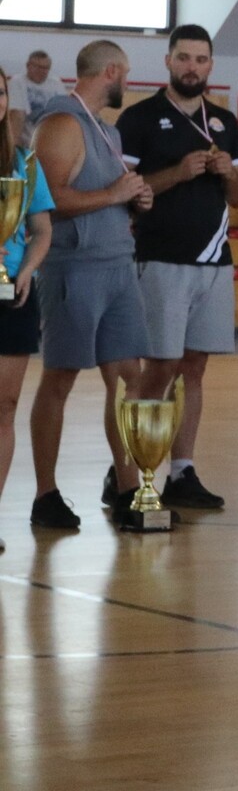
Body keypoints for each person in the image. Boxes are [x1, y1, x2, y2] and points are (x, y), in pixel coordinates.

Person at [115, 23, 238, 512]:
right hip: (161, 258)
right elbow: (123, 191)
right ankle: (128, 471)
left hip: (214, 261)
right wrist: (178, 172)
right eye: (184, 58)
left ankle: (183, 470)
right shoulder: (140, 118)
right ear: (168, 61)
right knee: (161, 367)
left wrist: (228, 173)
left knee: (195, 368)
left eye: (201, 59)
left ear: (211, 65)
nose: (193, 67)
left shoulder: (224, 121)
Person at [25, 39, 154, 533]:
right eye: (127, 74)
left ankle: (128, 488)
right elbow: (47, 201)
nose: (128, 83)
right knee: (60, 378)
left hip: (117, 264)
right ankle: (45, 494)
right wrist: (113, 193)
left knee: (129, 379)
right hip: (73, 268)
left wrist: (133, 198)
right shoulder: (61, 124)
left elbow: (106, 196)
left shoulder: (106, 130)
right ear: (112, 72)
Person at [0, 71, 56, 552]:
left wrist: (27, 269)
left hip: (12, 295)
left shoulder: (24, 163)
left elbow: (42, 229)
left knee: (5, 405)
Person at [9, 49, 61, 141]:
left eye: (45, 68)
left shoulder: (56, 83)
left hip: (52, 135)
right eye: (37, 67)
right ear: (28, 66)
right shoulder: (18, 81)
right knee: (17, 113)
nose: (41, 71)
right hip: (27, 139)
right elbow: (18, 114)